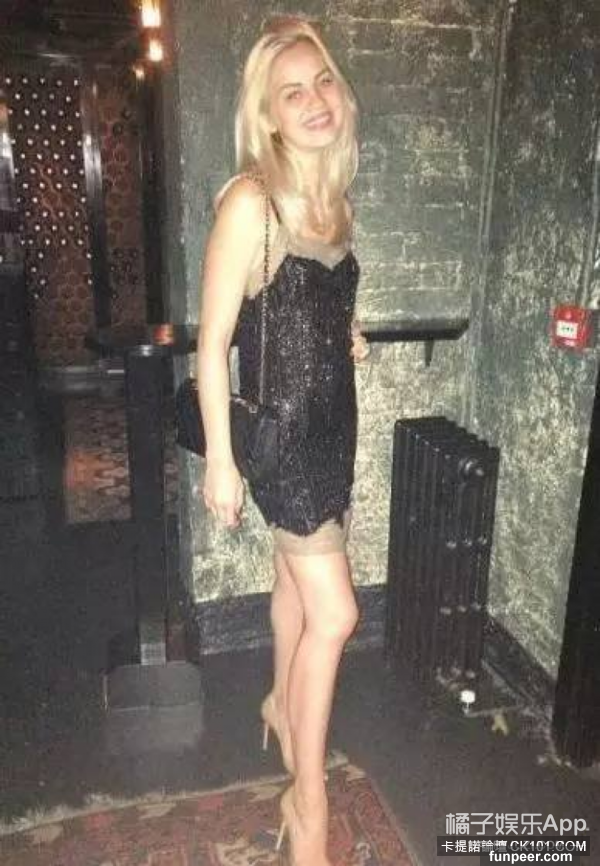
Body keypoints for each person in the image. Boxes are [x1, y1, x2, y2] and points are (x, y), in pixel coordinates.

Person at [196, 16, 369, 865]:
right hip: (284, 446)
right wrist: (221, 461)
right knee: (337, 613)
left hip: (333, 429)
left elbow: (310, 306)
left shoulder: (333, 203)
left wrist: (348, 333)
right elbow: (213, 343)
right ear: (267, 115)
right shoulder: (249, 202)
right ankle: (308, 805)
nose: (314, 99)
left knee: (294, 590)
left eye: (322, 81)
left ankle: (276, 701)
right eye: (291, 91)